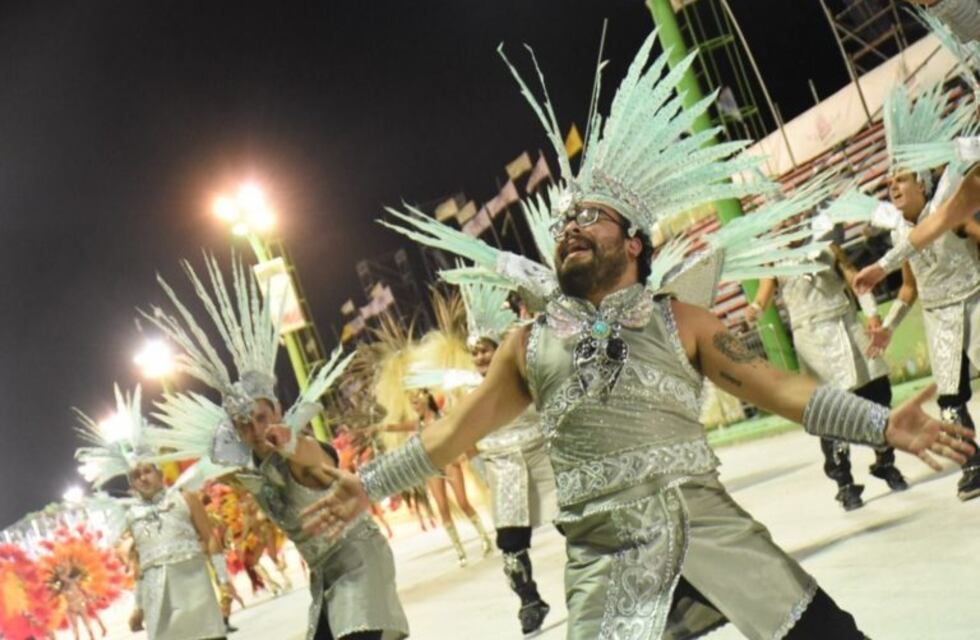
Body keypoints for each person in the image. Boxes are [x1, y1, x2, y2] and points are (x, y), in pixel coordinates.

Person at [304, 32, 974, 640]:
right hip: (604, 561)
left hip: (708, 530)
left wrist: (883, 425)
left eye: (589, 217)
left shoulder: (680, 321)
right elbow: (450, 437)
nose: (569, 226)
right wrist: (371, 483)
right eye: (564, 219)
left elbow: (783, 389)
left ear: (631, 243)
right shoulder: (526, 347)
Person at [144, 255, 409, 640]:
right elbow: (215, 472)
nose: (256, 428)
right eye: (244, 424)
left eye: (262, 416)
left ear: (279, 411)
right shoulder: (252, 469)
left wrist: (288, 441)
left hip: (358, 561)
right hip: (325, 575)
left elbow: (312, 456)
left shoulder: (299, 452)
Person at [838, 83, 980, 500]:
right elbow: (910, 287)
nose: (893, 188)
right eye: (888, 184)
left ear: (921, 183)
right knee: (950, 397)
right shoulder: (897, 228)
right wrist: (890, 328)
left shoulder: (948, 207)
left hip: (974, 298)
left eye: (901, 179)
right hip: (938, 314)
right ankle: (972, 461)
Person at [747, 241, 908, 510]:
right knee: (832, 411)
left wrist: (870, 312)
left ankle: (885, 461)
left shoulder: (826, 242)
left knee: (877, 395)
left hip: (846, 325)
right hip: (812, 339)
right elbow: (764, 293)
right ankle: (844, 483)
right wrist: (755, 309)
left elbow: (852, 276)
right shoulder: (773, 256)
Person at [74, 385, 227, 640]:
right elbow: (140, 568)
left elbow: (210, 538)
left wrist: (224, 583)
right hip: (161, 607)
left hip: (197, 594)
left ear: (159, 472)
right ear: (131, 485)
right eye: (136, 475)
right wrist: (139, 607)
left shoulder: (185, 498)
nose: (143, 478)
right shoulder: (131, 516)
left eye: (147, 471)